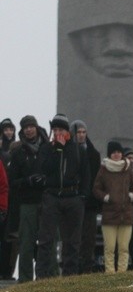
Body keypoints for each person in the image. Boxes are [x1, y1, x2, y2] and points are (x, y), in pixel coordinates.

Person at [35, 113, 90, 279]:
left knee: (72, 241)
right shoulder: (46, 148)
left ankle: (70, 276)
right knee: (46, 239)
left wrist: (82, 197)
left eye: (61, 129)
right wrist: (57, 149)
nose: (58, 132)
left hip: (73, 197)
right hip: (52, 197)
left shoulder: (78, 149)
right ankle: (41, 276)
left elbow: (86, 174)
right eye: (55, 129)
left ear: (67, 132)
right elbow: (44, 169)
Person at [7, 115, 49, 282]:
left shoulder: (48, 149)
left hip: (46, 201)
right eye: (26, 127)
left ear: (36, 127)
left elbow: (54, 172)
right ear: (22, 130)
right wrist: (27, 181)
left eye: (31, 126)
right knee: (26, 243)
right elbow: (12, 181)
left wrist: (45, 179)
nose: (29, 129)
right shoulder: (18, 153)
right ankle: (25, 280)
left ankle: (47, 278)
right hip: (26, 203)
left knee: (47, 243)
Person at [93, 141, 133, 273]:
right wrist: (105, 197)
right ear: (109, 154)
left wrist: (131, 196)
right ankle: (110, 273)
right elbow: (96, 189)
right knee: (109, 248)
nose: (117, 155)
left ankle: (122, 273)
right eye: (114, 152)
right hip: (109, 215)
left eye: (119, 152)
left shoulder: (128, 169)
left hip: (126, 215)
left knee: (124, 248)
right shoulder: (103, 170)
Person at [70, 120, 102, 273]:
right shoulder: (68, 152)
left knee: (89, 239)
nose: (81, 135)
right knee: (73, 238)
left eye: (84, 132)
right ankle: (72, 269)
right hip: (72, 200)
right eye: (78, 132)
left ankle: (86, 269)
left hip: (89, 204)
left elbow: (97, 179)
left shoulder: (94, 154)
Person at [0, 118, 16, 279]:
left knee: (8, 239)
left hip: (8, 201)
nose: (8, 133)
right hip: (5, 200)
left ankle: (6, 270)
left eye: (11, 129)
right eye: (6, 130)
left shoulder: (14, 151)